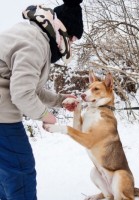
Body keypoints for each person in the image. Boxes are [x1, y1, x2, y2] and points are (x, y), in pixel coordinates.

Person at [0, 0, 83, 199]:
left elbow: (31, 89)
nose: (70, 45)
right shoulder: (34, 45)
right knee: (21, 171)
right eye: (72, 40)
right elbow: (22, 94)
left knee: (6, 173)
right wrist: (48, 117)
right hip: (3, 119)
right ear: (62, 31)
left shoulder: (30, 35)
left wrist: (60, 100)